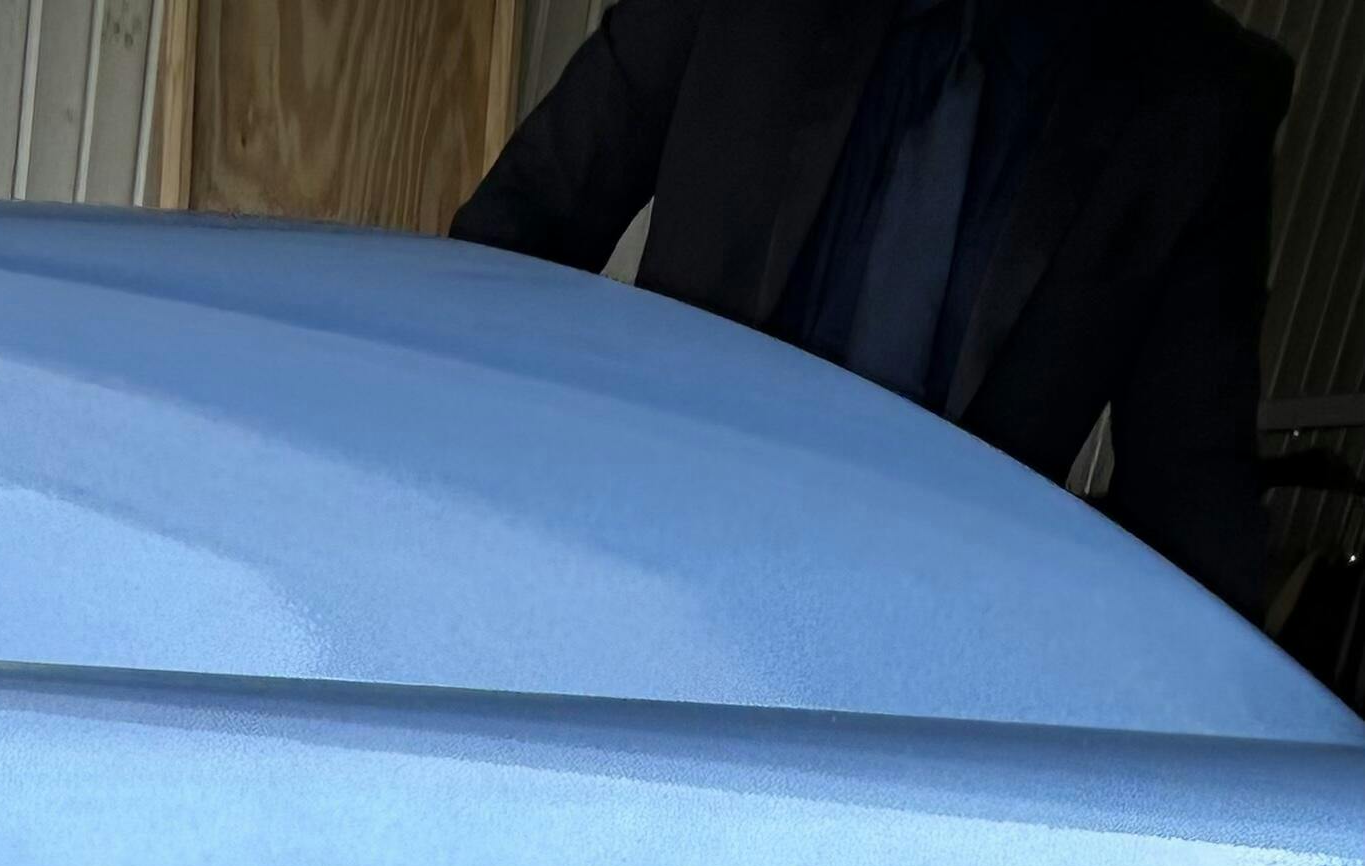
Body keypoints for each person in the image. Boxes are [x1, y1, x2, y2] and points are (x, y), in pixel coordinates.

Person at [450, 0, 1290, 614]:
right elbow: (515, 243)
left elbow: (1195, 510)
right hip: (623, 583)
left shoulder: (1202, 99)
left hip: (916, 688)